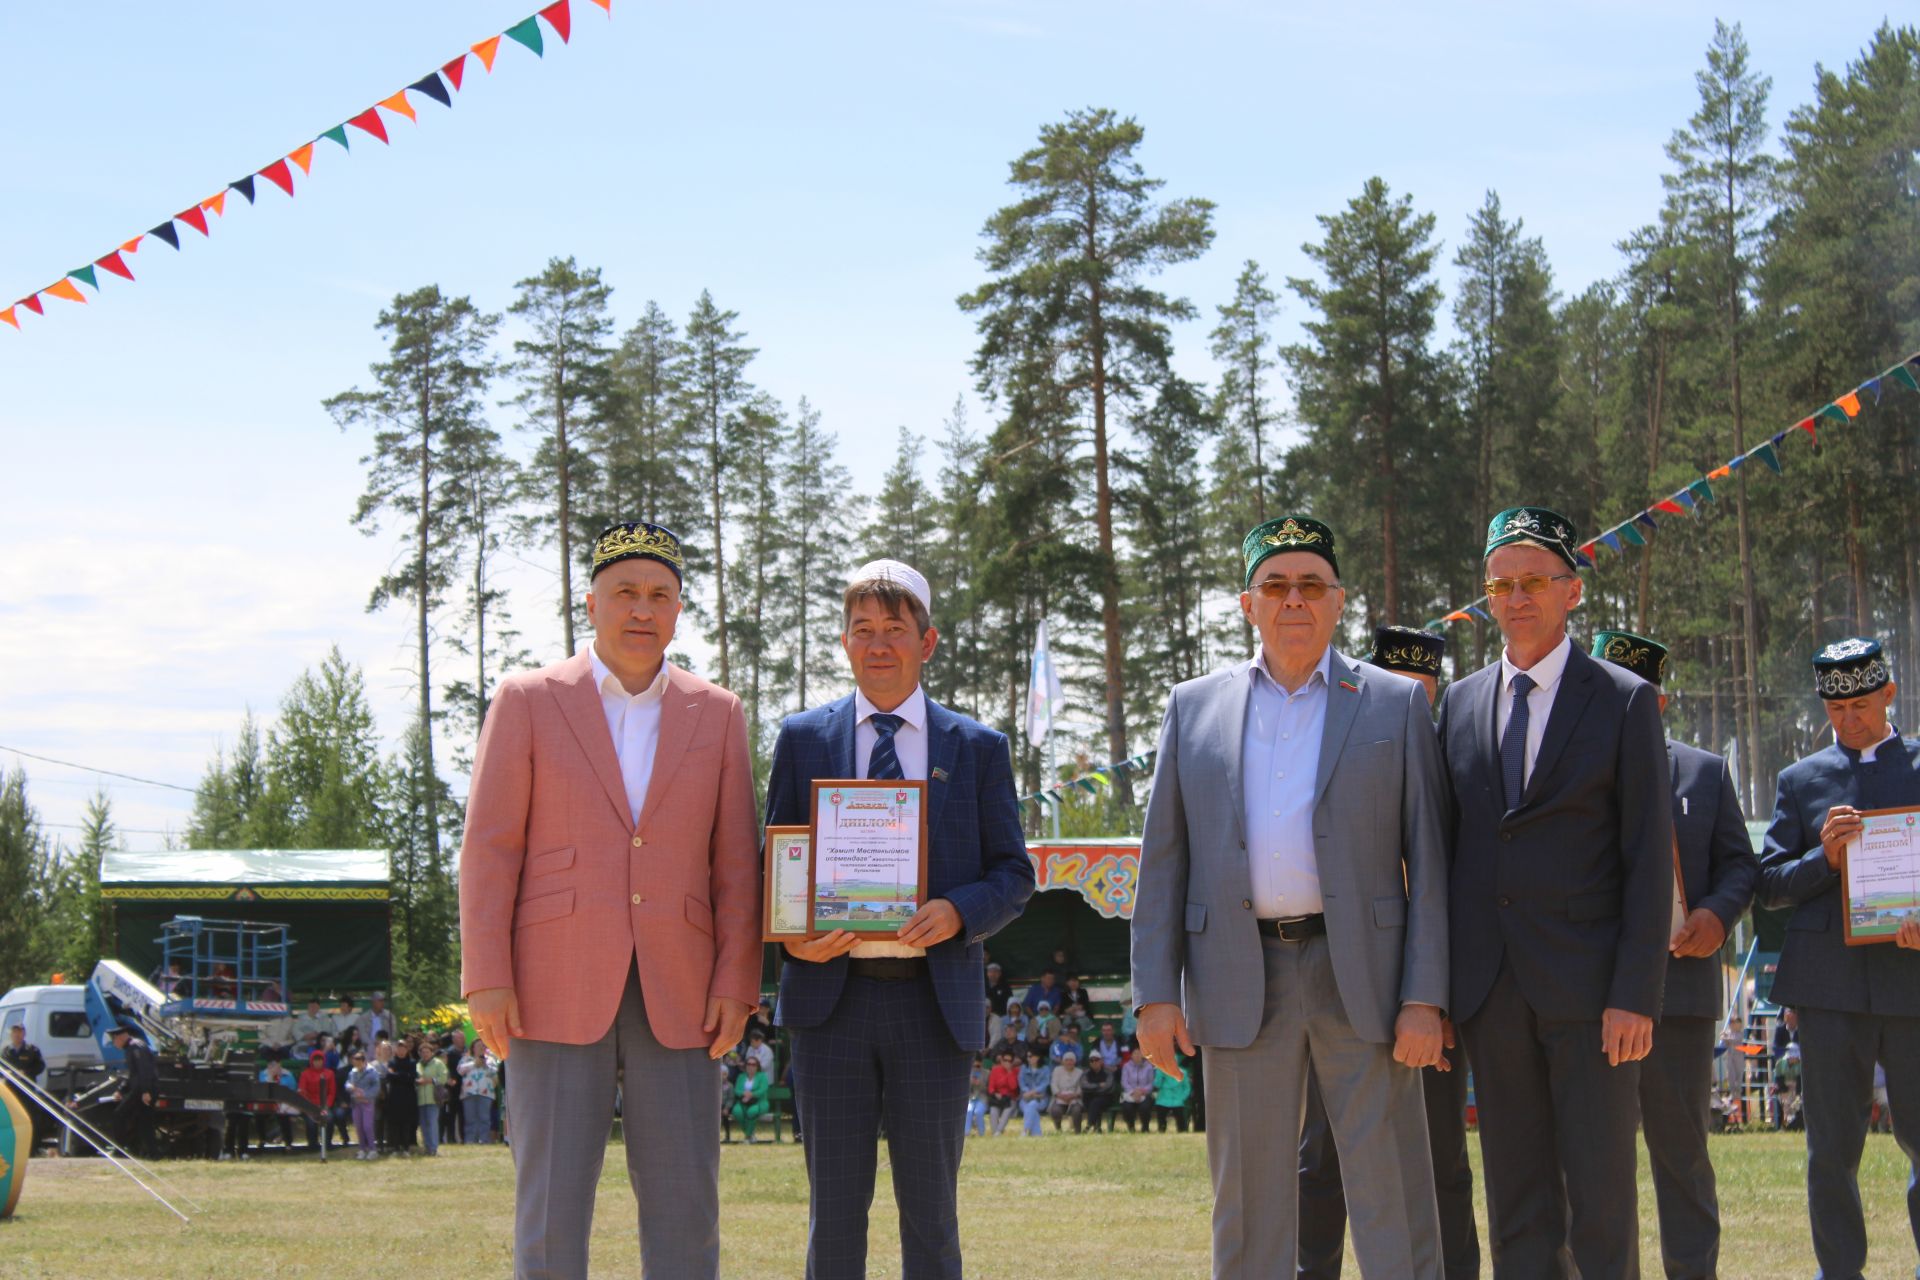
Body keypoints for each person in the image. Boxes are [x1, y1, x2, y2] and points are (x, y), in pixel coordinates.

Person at [1132, 515, 1451, 1279]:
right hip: (1238, 976)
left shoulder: (1394, 704)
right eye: (1276, 586)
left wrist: (1425, 997)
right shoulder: (1193, 706)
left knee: (1394, 1197)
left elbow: (1430, 862)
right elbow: (1164, 861)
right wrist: (1153, 996)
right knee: (1247, 1207)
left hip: (1364, 979)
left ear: (1340, 601)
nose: (1294, 600)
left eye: (1312, 585)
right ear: (1248, 605)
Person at [459, 522, 761, 1279]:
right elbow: (489, 849)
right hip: (549, 986)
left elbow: (735, 865)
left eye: (660, 595)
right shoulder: (528, 699)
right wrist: (485, 974)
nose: (641, 609)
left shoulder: (717, 711)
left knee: (687, 1212)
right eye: (624, 591)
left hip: (684, 993)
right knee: (552, 1215)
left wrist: (736, 982)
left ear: (679, 612)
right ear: (589, 603)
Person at [767, 559, 1036, 1279]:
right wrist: (795, 934)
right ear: (844, 642)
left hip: (932, 1007)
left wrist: (957, 912)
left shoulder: (977, 748)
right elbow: (774, 867)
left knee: (931, 1217)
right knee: (833, 1217)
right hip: (830, 1007)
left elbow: (1015, 874)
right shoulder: (801, 738)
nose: (878, 644)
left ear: (929, 641)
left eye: (895, 629)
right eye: (863, 630)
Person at [1436, 507, 1673, 1280]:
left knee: (1600, 1203)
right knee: (1516, 1201)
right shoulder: (1458, 704)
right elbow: (1447, 853)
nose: (1516, 596)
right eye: (1500, 584)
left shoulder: (1624, 698)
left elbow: (1647, 858)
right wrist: (1438, 990)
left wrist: (1636, 992)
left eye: (1534, 579)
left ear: (1572, 590)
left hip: (1594, 995)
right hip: (1490, 992)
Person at [1298, 622, 1480, 1280]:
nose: (1413, 702)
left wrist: (1445, 996)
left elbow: (1464, 893)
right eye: (1401, 688)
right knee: (1320, 1158)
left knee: (1438, 1158)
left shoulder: (1460, 770)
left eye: (1424, 693)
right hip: (1339, 989)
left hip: (1428, 1001)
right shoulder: (1337, 755)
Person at [1592, 629, 1759, 1279]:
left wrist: (1716, 915)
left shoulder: (1704, 772)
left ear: (1657, 703)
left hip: (1680, 997)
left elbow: (1741, 867)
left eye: (1634, 695)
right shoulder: (1563, 774)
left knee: (1682, 1156)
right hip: (1587, 995)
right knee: (1592, 1158)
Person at [1756, 636, 1920, 1279]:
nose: (1848, 719)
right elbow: (1767, 885)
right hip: (1827, 992)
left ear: (1889, 693)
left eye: (1860, 704)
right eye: (1834, 707)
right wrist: (1822, 857)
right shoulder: (1801, 781)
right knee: (1830, 1153)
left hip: (1912, 986)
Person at [106, 1024, 157, 1157]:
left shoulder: (135, 1047)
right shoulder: (132, 1047)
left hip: (141, 1090)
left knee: (119, 1115)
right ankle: (152, 1153)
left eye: (114, 1040)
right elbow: (132, 1074)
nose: (114, 1043)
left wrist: (146, 1091)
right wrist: (121, 1089)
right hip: (141, 1088)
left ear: (119, 1037)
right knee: (144, 1122)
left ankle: (121, 1149)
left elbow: (144, 1070)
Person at [415, 1033, 448, 1155]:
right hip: (420, 1099)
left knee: (432, 1123)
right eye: (422, 1052)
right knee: (423, 1125)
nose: (425, 1054)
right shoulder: (417, 1065)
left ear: (432, 1052)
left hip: (433, 1099)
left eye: (427, 1052)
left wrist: (430, 1080)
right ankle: (427, 1147)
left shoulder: (438, 1064)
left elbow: (443, 1078)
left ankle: (434, 1148)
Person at [298, 1049, 336, 1152]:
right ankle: (312, 1144)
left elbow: (332, 1092)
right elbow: (302, 1091)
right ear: (311, 1061)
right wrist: (310, 1107)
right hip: (309, 1106)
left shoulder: (330, 1073)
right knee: (311, 1122)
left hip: (324, 1105)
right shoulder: (305, 1074)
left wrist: (326, 1106)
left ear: (323, 1061)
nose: (318, 1062)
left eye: (320, 1060)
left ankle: (327, 1143)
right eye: (315, 1060)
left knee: (329, 1118)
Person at [346, 1049, 381, 1158]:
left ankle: (372, 1149)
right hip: (356, 1103)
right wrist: (349, 1087)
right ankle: (362, 1148)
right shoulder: (352, 1072)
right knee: (359, 1126)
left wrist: (365, 1095)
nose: (355, 1062)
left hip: (367, 1103)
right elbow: (347, 1083)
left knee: (367, 1126)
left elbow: (376, 1087)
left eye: (358, 1060)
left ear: (363, 1060)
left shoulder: (372, 1072)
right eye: (354, 1060)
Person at [461, 1044, 497, 1144]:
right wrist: (474, 1064)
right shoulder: (466, 1059)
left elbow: (495, 1071)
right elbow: (460, 1070)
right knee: (470, 1118)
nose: (480, 1048)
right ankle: (470, 1139)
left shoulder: (490, 1059)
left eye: (483, 1046)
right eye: (478, 1046)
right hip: (469, 1092)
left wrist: (485, 1065)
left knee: (484, 1118)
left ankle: (484, 1139)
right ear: (473, 1047)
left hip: (486, 1092)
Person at [730, 1056, 770, 1143]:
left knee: (752, 1112)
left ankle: (748, 1136)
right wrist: (744, 1094)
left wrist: (751, 1094)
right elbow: (737, 1090)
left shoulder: (762, 1076)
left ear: (757, 1066)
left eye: (753, 1064)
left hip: (759, 1102)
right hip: (743, 1101)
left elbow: (763, 1089)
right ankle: (750, 1134)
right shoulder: (741, 1076)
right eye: (748, 1064)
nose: (751, 1066)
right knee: (737, 1111)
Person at [1048, 1050, 1086, 1132]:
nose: (1069, 1062)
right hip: (1060, 1097)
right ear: (1063, 1062)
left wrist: (1073, 1096)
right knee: (1055, 1110)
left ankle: (1077, 1131)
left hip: (1074, 1098)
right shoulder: (1057, 1070)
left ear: (1074, 1062)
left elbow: (1080, 1087)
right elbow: (1053, 1084)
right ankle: (1058, 1129)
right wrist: (1059, 1095)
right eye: (1066, 1060)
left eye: (1071, 1060)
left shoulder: (1079, 1072)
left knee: (1077, 1110)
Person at [1120, 1049, 1157, 1133]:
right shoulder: (1126, 1066)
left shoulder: (1149, 1066)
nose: (1137, 1055)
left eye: (1139, 1053)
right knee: (1127, 1107)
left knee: (1145, 1107)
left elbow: (1151, 1083)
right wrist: (1133, 1092)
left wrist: (1141, 1091)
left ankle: (1145, 1127)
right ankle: (1131, 1127)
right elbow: (1124, 1082)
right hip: (1130, 1094)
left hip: (1145, 1093)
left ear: (1143, 1055)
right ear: (1131, 1055)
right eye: (1135, 1053)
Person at [1018, 1048, 1051, 1137]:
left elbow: (1045, 1084)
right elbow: (1021, 1083)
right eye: (1028, 1056)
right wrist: (1027, 1092)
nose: (1029, 1058)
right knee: (1032, 1110)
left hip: (1041, 1099)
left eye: (1031, 1056)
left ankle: (1025, 1131)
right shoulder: (1023, 1068)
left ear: (1037, 1057)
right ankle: (1037, 1135)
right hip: (1025, 1098)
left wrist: (1032, 1092)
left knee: (1032, 1105)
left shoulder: (1045, 1069)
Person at [1082, 1053, 1117, 1133]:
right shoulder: (1086, 1073)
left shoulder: (1108, 1073)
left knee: (1096, 1102)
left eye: (1096, 1060)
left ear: (1101, 1061)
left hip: (1106, 1098)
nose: (1094, 1062)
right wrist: (1098, 1085)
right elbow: (1084, 1085)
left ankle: (1089, 1125)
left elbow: (1108, 1086)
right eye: (1091, 1060)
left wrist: (1093, 1088)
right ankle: (1097, 1127)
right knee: (1093, 1101)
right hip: (1090, 1098)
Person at [1152, 1058, 1190, 1132]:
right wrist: (1160, 1073)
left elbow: (1187, 1088)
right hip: (1163, 1099)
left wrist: (1182, 1097)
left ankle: (1182, 1131)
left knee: (1181, 1121)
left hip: (1178, 1099)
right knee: (1161, 1116)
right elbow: (1157, 1085)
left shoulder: (1183, 1072)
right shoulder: (1161, 1071)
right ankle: (1161, 1130)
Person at [987, 1051, 1020, 1135]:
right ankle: (995, 1132)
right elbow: (991, 1086)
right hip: (997, 1097)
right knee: (993, 1110)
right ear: (1001, 1060)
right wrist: (995, 1093)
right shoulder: (995, 1070)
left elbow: (1014, 1087)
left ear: (1013, 1062)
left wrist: (1009, 1072)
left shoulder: (1016, 1071)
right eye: (1005, 1060)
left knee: (1008, 1109)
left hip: (1010, 1098)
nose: (1007, 1062)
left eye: (1009, 1061)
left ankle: (998, 1131)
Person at [984, 963, 1012, 1045]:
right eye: (990, 972)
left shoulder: (1005, 987)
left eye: (996, 972)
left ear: (1000, 974)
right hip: (984, 1017)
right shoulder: (981, 985)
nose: (993, 974)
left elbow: (1010, 1004)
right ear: (987, 973)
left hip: (1001, 1017)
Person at [965, 1055, 991, 1137]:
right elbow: (965, 1089)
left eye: (978, 1066)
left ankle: (981, 1133)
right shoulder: (968, 1072)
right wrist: (970, 1083)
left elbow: (989, 1089)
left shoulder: (987, 1073)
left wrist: (980, 1084)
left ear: (982, 1064)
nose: (975, 1068)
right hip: (970, 1098)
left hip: (982, 1098)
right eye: (974, 1066)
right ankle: (966, 1133)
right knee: (968, 1111)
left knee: (978, 1112)